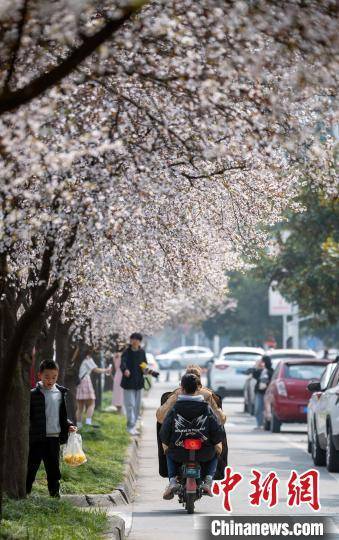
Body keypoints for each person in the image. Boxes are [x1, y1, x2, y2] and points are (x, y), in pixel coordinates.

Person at [160, 373, 224, 500]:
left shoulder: (175, 408)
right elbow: (217, 432)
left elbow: (164, 432)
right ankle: (208, 481)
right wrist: (215, 442)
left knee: (168, 452)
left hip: (178, 453)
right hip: (204, 452)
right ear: (197, 389)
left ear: (181, 388)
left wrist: (168, 444)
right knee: (216, 453)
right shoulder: (206, 408)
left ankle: (172, 480)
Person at [26, 360, 76, 497]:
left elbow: (60, 415)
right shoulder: (33, 394)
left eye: (54, 377)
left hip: (53, 438)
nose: (50, 380)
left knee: (54, 469)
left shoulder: (60, 393)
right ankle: (25, 493)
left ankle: (54, 496)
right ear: (39, 375)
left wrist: (69, 425)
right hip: (37, 437)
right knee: (31, 467)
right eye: (47, 377)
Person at [156, 364, 226, 425]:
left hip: (178, 433)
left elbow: (161, 417)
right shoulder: (207, 394)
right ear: (199, 380)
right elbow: (220, 419)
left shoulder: (177, 393)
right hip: (204, 433)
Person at [120, 332, 147, 435]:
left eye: (137, 339)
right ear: (130, 340)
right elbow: (123, 363)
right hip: (128, 383)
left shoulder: (142, 352)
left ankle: (134, 425)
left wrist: (145, 369)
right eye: (133, 339)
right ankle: (130, 426)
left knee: (137, 405)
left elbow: (144, 363)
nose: (134, 341)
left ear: (140, 341)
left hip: (139, 382)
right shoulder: (126, 352)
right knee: (130, 404)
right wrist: (125, 370)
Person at [76, 349, 111, 428]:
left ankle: (79, 426)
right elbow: (96, 369)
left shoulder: (78, 358)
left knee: (80, 407)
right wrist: (107, 370)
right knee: (91, 403)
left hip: (79, 382)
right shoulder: (88, 358)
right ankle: (88, 423)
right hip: (85, 381)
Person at [252, 355, 273, 430]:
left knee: (267, 409)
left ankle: (267, 424)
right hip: (259, 392)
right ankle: (259, 424)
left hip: (268, 393)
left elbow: (272, 380)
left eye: (262, 361)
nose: (261, 363)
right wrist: (257, 366)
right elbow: (254, 375)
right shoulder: (260, 370)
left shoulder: (271, 371)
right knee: (258, 409)